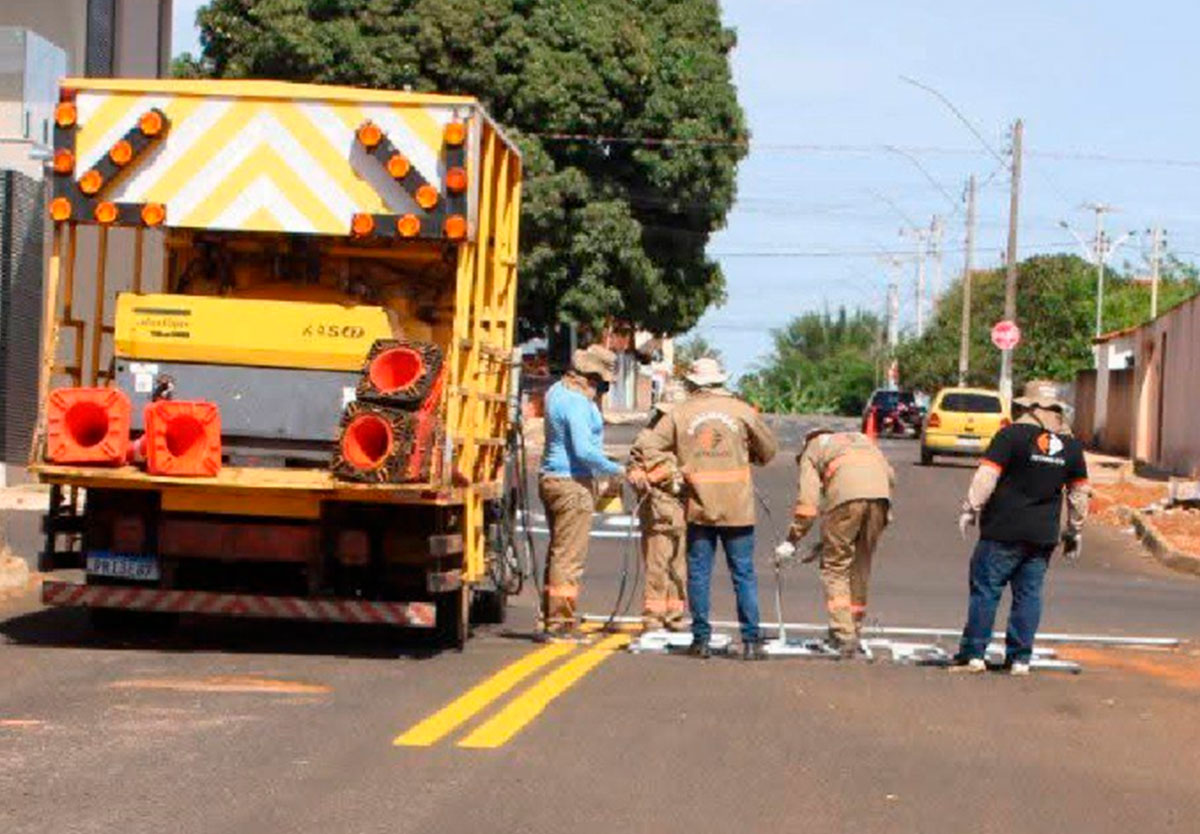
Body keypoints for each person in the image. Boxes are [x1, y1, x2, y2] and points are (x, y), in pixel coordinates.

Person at [644, 357, 778, 660]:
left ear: (693, 383)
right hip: (737, 507)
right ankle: (751, 641)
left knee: (699, 574)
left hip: (699, 506)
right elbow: (769, 451)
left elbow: (650, 446)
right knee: (743, 573)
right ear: (720, 380)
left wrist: (674, 469)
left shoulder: (681, 413)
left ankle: (701, 640)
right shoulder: (742, 411)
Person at [952, 386, 1090, 675]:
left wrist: (971, 508)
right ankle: (1020, 659)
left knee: (986, 591)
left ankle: (974, 654)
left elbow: (987, 475)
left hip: (1003, 530)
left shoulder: (1010, 436)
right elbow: (1079, 493)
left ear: (1029, 407)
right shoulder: (1071, 447)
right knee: (1028, 595)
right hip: (1042, 536)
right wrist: (1074, 530)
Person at [786, 426, 894, 657]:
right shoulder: (860, 440)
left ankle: (843, 636)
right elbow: (890, 476)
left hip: (845, 499)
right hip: (880, 499)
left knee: (835, 568)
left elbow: (807, 504)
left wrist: (792, 539)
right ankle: (853, 627)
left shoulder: (812, 450)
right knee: (860, 565)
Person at [539, 344, 623, 639]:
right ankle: (560, 623)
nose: (601, 392)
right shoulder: (576, 403)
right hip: (572, 483)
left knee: (557, 553)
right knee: (569, 559)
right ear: (592, 378)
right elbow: (584, 450)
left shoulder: (556, 392)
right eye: (603, 385)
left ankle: (549, 616)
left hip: (551, 478)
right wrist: (616, 469)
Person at [627, 397, 688, 633]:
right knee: (657, 565)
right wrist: (643, 476)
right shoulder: (648, 438)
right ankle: (654, 617)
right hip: (658, 508)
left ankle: (674, 615)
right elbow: (635, 467)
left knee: (679, 567)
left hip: (684, 508)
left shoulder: (687, 435)